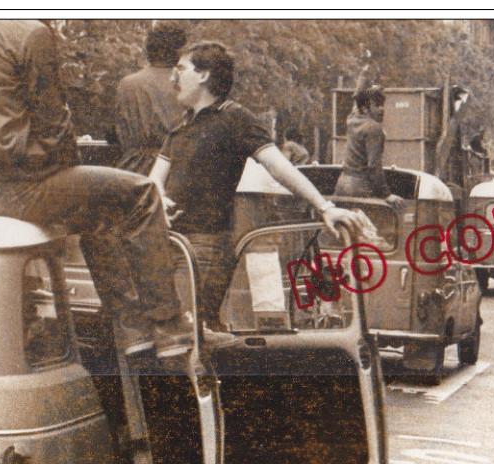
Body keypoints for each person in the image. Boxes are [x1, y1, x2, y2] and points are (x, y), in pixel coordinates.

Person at [0, 19, 193, 358]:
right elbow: (53, 123)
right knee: (142, 193)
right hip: (16, 188)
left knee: (98, 211)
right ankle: (169, 327)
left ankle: (132, 327)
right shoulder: (29, 32)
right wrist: (69, 160)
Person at [148, 41, 363, 330]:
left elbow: (278, 166)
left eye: (181, 69)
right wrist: (158, 196)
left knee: (189, 334)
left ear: (203, 75)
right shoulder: (182, 123)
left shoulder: (235, 118)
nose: (174, 78)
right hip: (173, 241)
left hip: (207, 245)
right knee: (186, 333)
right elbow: (154, 180)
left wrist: (324, 206)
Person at [114, 20, 188, 175]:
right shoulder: (186, 84)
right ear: (177, 50)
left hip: (131, 173)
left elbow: (113, 132)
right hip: (173, 172)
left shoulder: (126, 84)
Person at [334, 68, 404, 207]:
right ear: (366, 107)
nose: (382, 109)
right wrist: (387, 195)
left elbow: (358, 99)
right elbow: (374, 166)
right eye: (377, 105)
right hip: (360, 187)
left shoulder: (353, 119)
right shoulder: (374, 128)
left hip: (342, 184)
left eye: (382, 105)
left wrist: (363, 74)